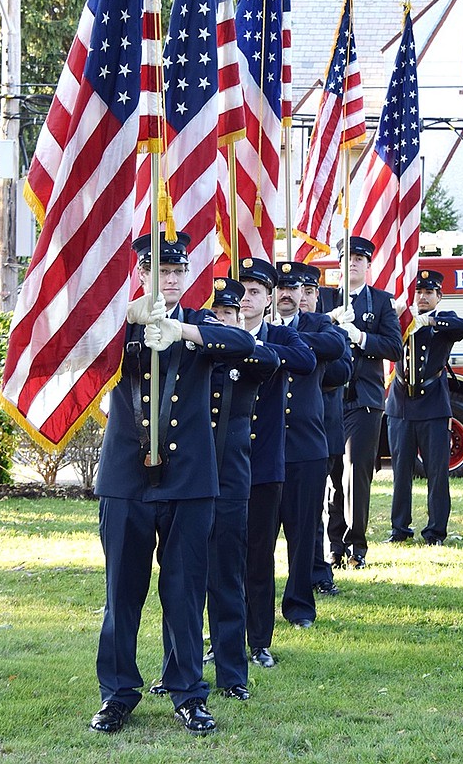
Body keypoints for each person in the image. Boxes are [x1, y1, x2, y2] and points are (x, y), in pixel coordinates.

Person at [90, 232, 254, 737]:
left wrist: (181, 330)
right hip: (126, 477)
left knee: (184, 591)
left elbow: (244, 343)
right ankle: (118, 693)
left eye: (178, 271)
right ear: (141, 274)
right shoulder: (117, 325)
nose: (171, 278)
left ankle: (188, 692)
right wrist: (131, 321)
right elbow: (78, 351)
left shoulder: (201, 323)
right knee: (123, 592)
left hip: (187, 481)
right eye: (160, 270)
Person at [233, 257, 316, 668]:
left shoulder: (282, 337)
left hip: (264, 464)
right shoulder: (219, 331)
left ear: (268, 300)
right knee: (224, 558)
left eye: (255, 292)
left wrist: (260, 348)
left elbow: (306, 362)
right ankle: (224, 639)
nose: (246, 299)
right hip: (223, 465)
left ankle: (258, 640)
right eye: (241, 291)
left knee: (260, 557)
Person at [204, 277, 280, 700]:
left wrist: (229, 340)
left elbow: (265, 359)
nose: (222, 321)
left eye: (230, 315)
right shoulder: (193, 354)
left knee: (229, 574)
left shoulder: (252, 356)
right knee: (184, 578)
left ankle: (232, 673)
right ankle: (177, 666)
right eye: (215, 315)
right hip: (192, 477)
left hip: (232, 478)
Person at [275, 261, 345, 627]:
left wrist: (287, 340)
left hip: (306, 445)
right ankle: (251, 607)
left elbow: (336, 348)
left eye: (296, 287)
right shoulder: (258, 327)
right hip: (264, 447)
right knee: (256, 537)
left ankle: (300, 605)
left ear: (306, 293)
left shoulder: (318, 326)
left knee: (303, 534)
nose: (288, 293)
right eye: (281, 286)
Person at [329, 236, 403, 569]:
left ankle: (355, 543)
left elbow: (394, 348)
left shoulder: (382, 302)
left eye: (360, 258)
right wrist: (331, 321)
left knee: (355, 472)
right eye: (348, 258)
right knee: (330, 473)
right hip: (329, 398)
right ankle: (333, 544)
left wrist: (360, 336)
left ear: (369, 265)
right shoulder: (326, 300)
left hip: (364, 400)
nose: (353, 263)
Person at [385, 269, 463, 545]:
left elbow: (462, 326)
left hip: (433, 406)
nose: (422, 296)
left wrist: (429, 321)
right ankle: (399, 529)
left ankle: (435, 531)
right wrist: (405, 317)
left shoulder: (443, 321)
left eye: (428, 293)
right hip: (400, 406)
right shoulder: (400, 321)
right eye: (419, 292)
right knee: (400, 472)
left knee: (436, 472)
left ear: (438, 297)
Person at [299, 269, 353, 597]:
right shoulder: (268, 327)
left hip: (320, 429)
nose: (302, 297)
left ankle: (319, 572)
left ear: (318, 297)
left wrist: (301, 353)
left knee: (313, 507)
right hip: (275, 433)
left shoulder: (328, 329)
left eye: (308, 291)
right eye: (293, 290)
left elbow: (342, 370)